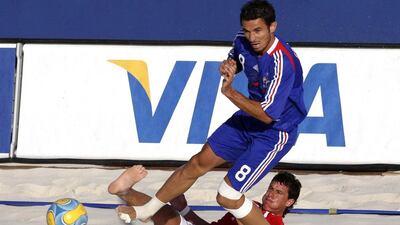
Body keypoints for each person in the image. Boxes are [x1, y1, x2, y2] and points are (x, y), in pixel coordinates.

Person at [115, 1, 307, 225]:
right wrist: (230, 66)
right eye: (247, 30)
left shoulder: (282, 62)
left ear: (272, 27)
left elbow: (267, 115)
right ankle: (147, 210)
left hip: (274, 131)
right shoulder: (242, 41)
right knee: (197, 162)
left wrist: (230, 92)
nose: (252, 37)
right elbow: (237, 57)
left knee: (227, 195)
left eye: (258, 30)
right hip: (248, 119)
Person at [109, 165, 302, 225]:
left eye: (278, 192)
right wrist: (185, 210)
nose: (270, 194)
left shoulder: (275, 222)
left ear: (290, 201)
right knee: (168, 213)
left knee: (171, 219)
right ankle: (124, 190)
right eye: (270, 189)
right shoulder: (247, 206)